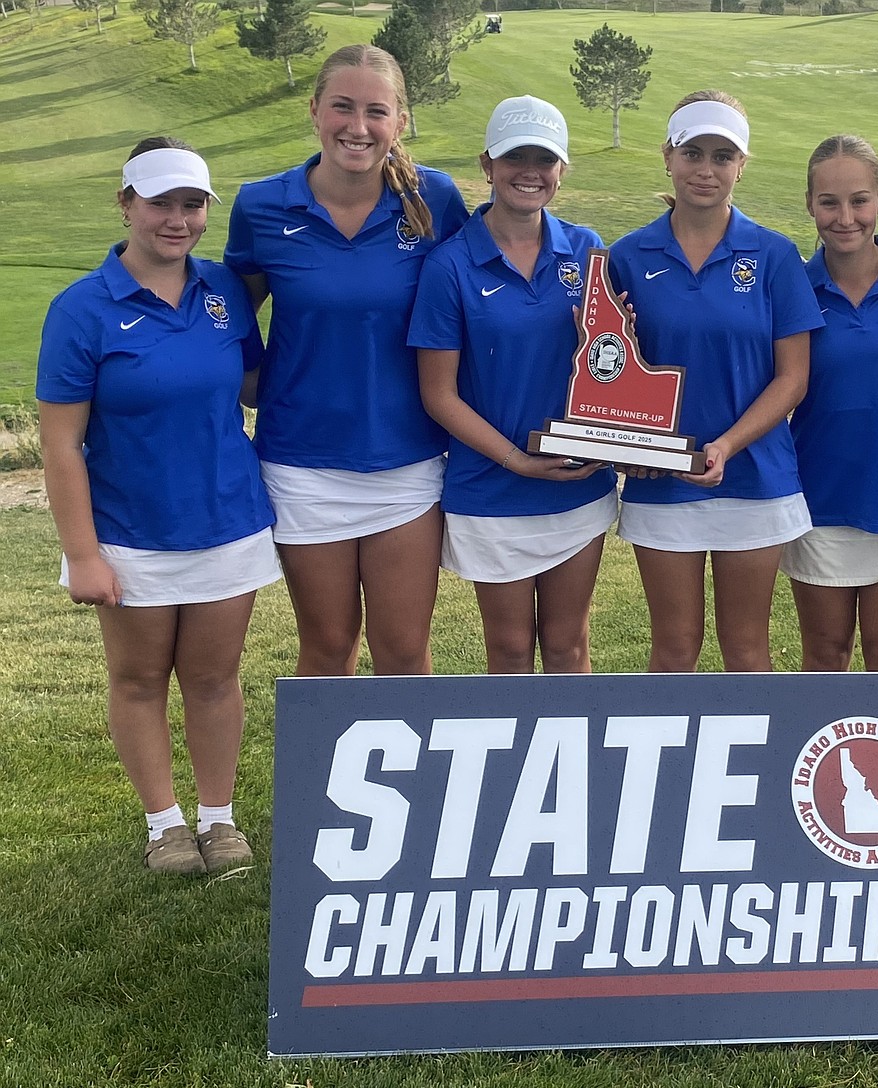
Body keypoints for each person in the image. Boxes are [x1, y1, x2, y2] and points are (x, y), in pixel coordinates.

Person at [37, 138, 281, 875]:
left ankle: (219, 819)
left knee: (214, 677)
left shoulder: (224, 291)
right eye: (161, 204)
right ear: (126, 205)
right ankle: (165, 827)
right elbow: (60, 445)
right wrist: (82, 554)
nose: (178, 220)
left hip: (227, 519)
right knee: (140, 679)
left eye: (192, 205)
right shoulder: (82, 309)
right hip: (129, 532)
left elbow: (255, 386)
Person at [224, 45, 468, 676]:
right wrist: (257, 385)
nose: (357, 127)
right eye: (342, 107)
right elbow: (228, 318)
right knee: (328, 649)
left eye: (376, 112)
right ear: (314, 111)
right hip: (301, 462)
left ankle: (407, 753)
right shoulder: (261, 206)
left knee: (403, 651)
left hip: (407, 459)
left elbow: (475, 303)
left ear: (400, 121)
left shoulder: (436, 199)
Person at [607, 91, 824, 672]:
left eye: (723, 156)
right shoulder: (627, 257)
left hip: (756, 477)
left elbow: (793, 377)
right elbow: (611, 373)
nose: (706, 169)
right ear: (668, 157)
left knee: (747, 648)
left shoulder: (775, 255)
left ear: (741, 165)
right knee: (674, 647)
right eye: (693, 153)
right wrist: (630, 445)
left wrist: (726, 444)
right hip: (663, 480)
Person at [410, 96, 617, 673]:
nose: (530, 171)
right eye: (514, 157)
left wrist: (610, 341)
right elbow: (438, 394)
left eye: (544, 159)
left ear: (562, 169)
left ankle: (571, 741)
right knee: (508, 650)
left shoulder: (587, 248)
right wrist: (517, 461)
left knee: (569, 644)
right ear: (487, 164)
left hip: (576, 483)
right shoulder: (449, 265)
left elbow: (612, 365)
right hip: (491, 488)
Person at [782, 135, 878, 672]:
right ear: (810, 204)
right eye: (829, 202)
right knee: (826, 657)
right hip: (818, 496)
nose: (845, 217)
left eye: (859, 200)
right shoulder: (793, 285)